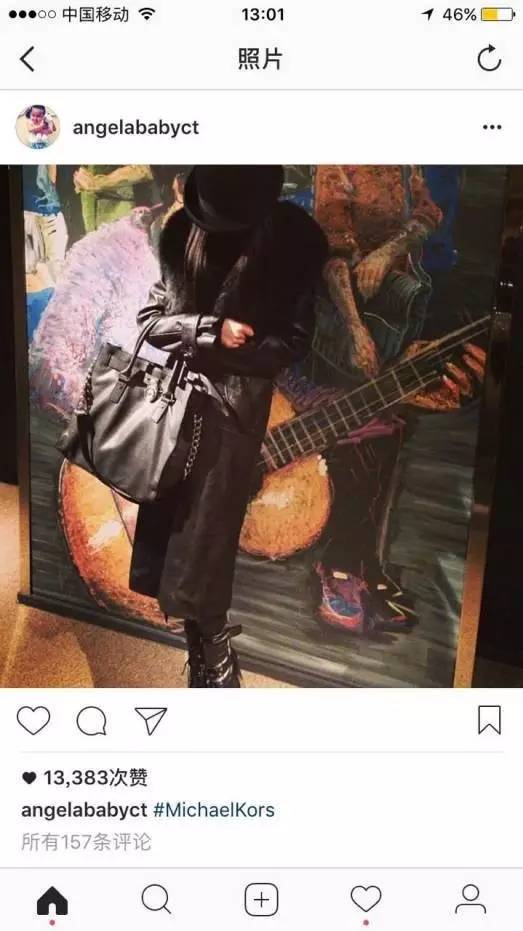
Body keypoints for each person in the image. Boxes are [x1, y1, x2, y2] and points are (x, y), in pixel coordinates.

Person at [129, 165, 328, 687]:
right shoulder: (180, 235)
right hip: (173, 409)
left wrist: (226, 351)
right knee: (172, 538)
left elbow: (291, 343)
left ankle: (214, 660)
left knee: (207, 543)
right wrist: (208, 330)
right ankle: (205, 653)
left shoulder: (291, 244)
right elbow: (150, 321)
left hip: (232, 416)